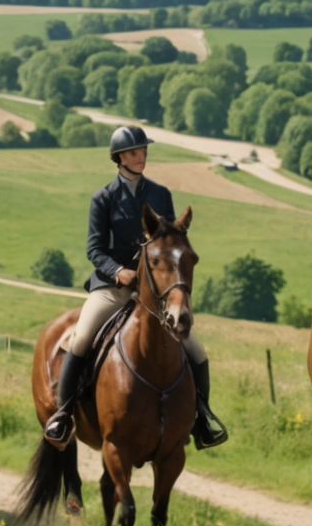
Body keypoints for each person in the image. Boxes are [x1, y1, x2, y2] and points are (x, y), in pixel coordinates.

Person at [44, 125, 228, 450]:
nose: (140, 156)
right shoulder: (103, 198)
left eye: (143, 150)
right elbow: (94, 248)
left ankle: (203, 418)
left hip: (153, 293)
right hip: (112, 287)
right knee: (82, 338)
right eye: (133, 152)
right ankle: (63, 413)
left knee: (196, 351)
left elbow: (169, 243)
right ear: (119, 158)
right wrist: (118, 271)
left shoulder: (161, 194)